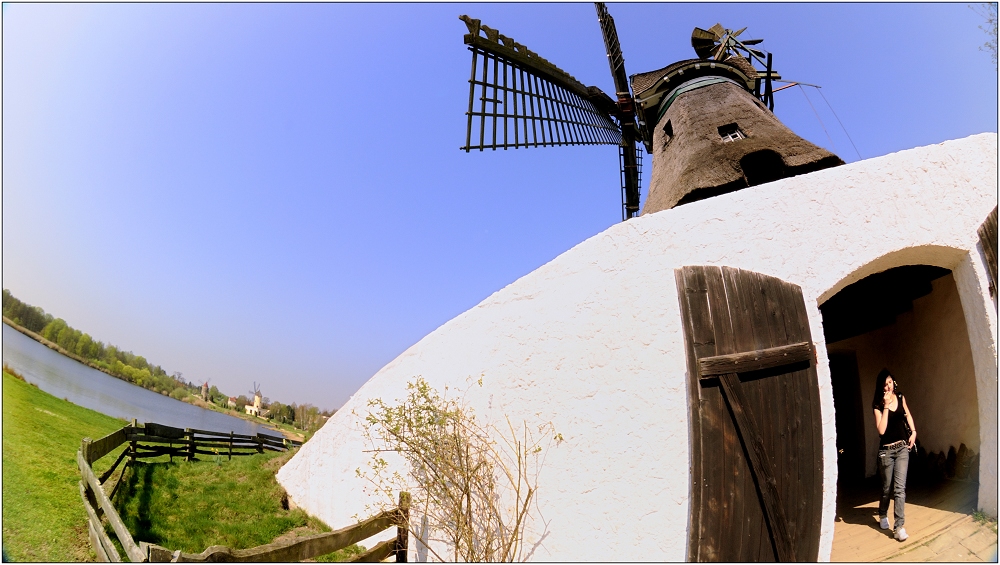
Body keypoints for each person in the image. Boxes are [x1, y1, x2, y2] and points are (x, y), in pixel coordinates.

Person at [872, 368, 917, 541]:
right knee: (886, 488)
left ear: (893, 382)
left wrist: (913, 431)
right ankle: (883, 514)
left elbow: (907, 415)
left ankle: (899, 527)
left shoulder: (900, 397)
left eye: (890, 382)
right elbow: (881, 430)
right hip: (886, 452)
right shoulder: (877, 405)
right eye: (884, 384)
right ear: (880, 387)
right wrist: (885, 406)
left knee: (899, 489)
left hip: (902, 449)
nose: (888, 386)